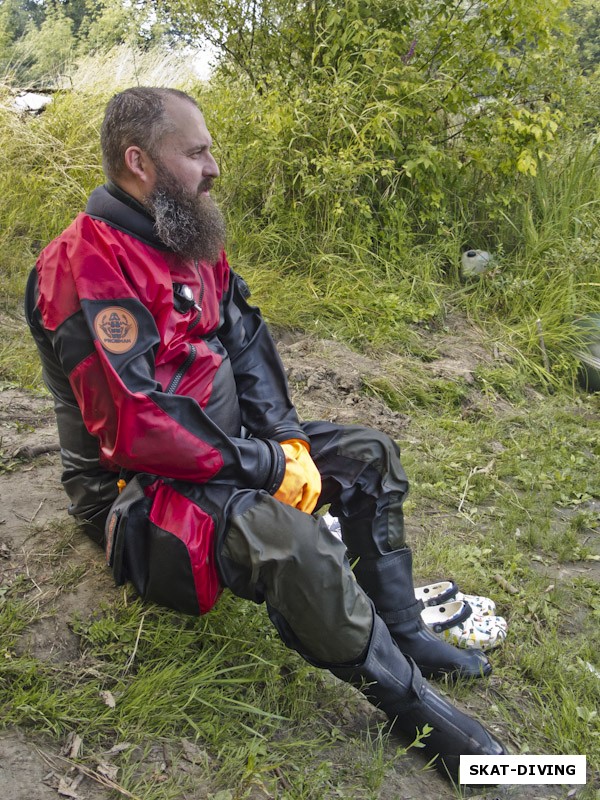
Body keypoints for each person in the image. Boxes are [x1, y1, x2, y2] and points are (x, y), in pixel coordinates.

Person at [25, 86, 505, 782]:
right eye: (195, 152)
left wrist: (287, 443)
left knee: (371, 457)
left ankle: (403, 630)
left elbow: (246, 343)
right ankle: (408, 702)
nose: (214, 166)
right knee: (292, 541)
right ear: (138, 162)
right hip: (135, 493)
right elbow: (138, 426)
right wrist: (262, 466)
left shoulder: (184, 235)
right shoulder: (82, 263)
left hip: (222, 450)